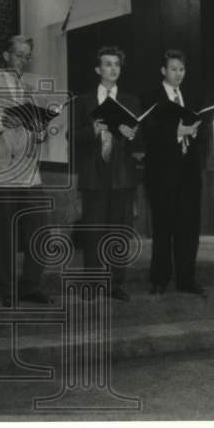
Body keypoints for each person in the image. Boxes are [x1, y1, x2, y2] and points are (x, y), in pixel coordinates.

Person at [0, 35, 51, 308]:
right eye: (18, 55)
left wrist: (41, 132)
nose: (23, 61)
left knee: (40, 232)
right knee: (4, 235)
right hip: (2, 172)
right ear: (6, 55)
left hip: (29, 173)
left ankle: (30, 286)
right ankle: (7, 288)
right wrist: (3, 121)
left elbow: (37, 127)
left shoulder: (29, 90)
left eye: (27, 56)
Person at [71, 46, 141, 301]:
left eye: (116, 65)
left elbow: (140, 139)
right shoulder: (84, 100)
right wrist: (92, 130)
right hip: (94, 173)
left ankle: (114, 284)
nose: (113, 69)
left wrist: (131, 134)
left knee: (118, 231)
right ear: (98, 69)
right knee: (93, 231)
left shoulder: (131, 101)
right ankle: (92, 283)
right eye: (108, 64)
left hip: (121, 174)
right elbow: (72, 136)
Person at [142, 49, 205, 297]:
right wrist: (178, 132)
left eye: (182, 69)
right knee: (163, 228)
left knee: (189, 228)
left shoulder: (193, 96)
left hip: (189, 173)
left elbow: (205, 128)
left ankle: (186, 279)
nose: (179, 74)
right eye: (174, 69)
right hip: (161, 173)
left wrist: (196, 131)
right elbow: (147, 132)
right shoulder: (150, 97)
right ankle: (160, 279)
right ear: (163, 71)